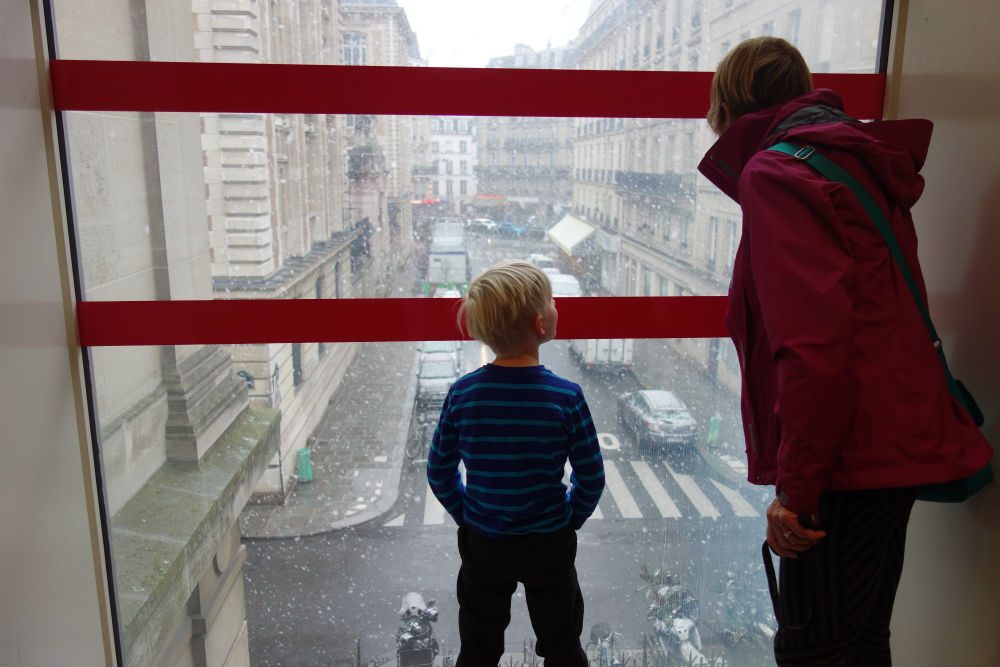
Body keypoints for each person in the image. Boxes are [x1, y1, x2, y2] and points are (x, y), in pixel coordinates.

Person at [698, 37, 992, 666]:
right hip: (893, 447)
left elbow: (812, 349)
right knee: (860, 642)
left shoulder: (777, 173)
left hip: (848, 458)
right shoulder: (851, 161)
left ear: (729, 104)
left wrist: (796, 494)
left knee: (816, 651)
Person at [426, 260, 605, 667]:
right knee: (561, 643)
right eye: (553, 303)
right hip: (549, 542)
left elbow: (439, 470)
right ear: (541, 324)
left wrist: (468, 513)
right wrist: (568, 518)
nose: (558, 307)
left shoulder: (463, 394)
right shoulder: (566, 397)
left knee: (479, 644)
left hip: (485, 541)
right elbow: (591, 475)